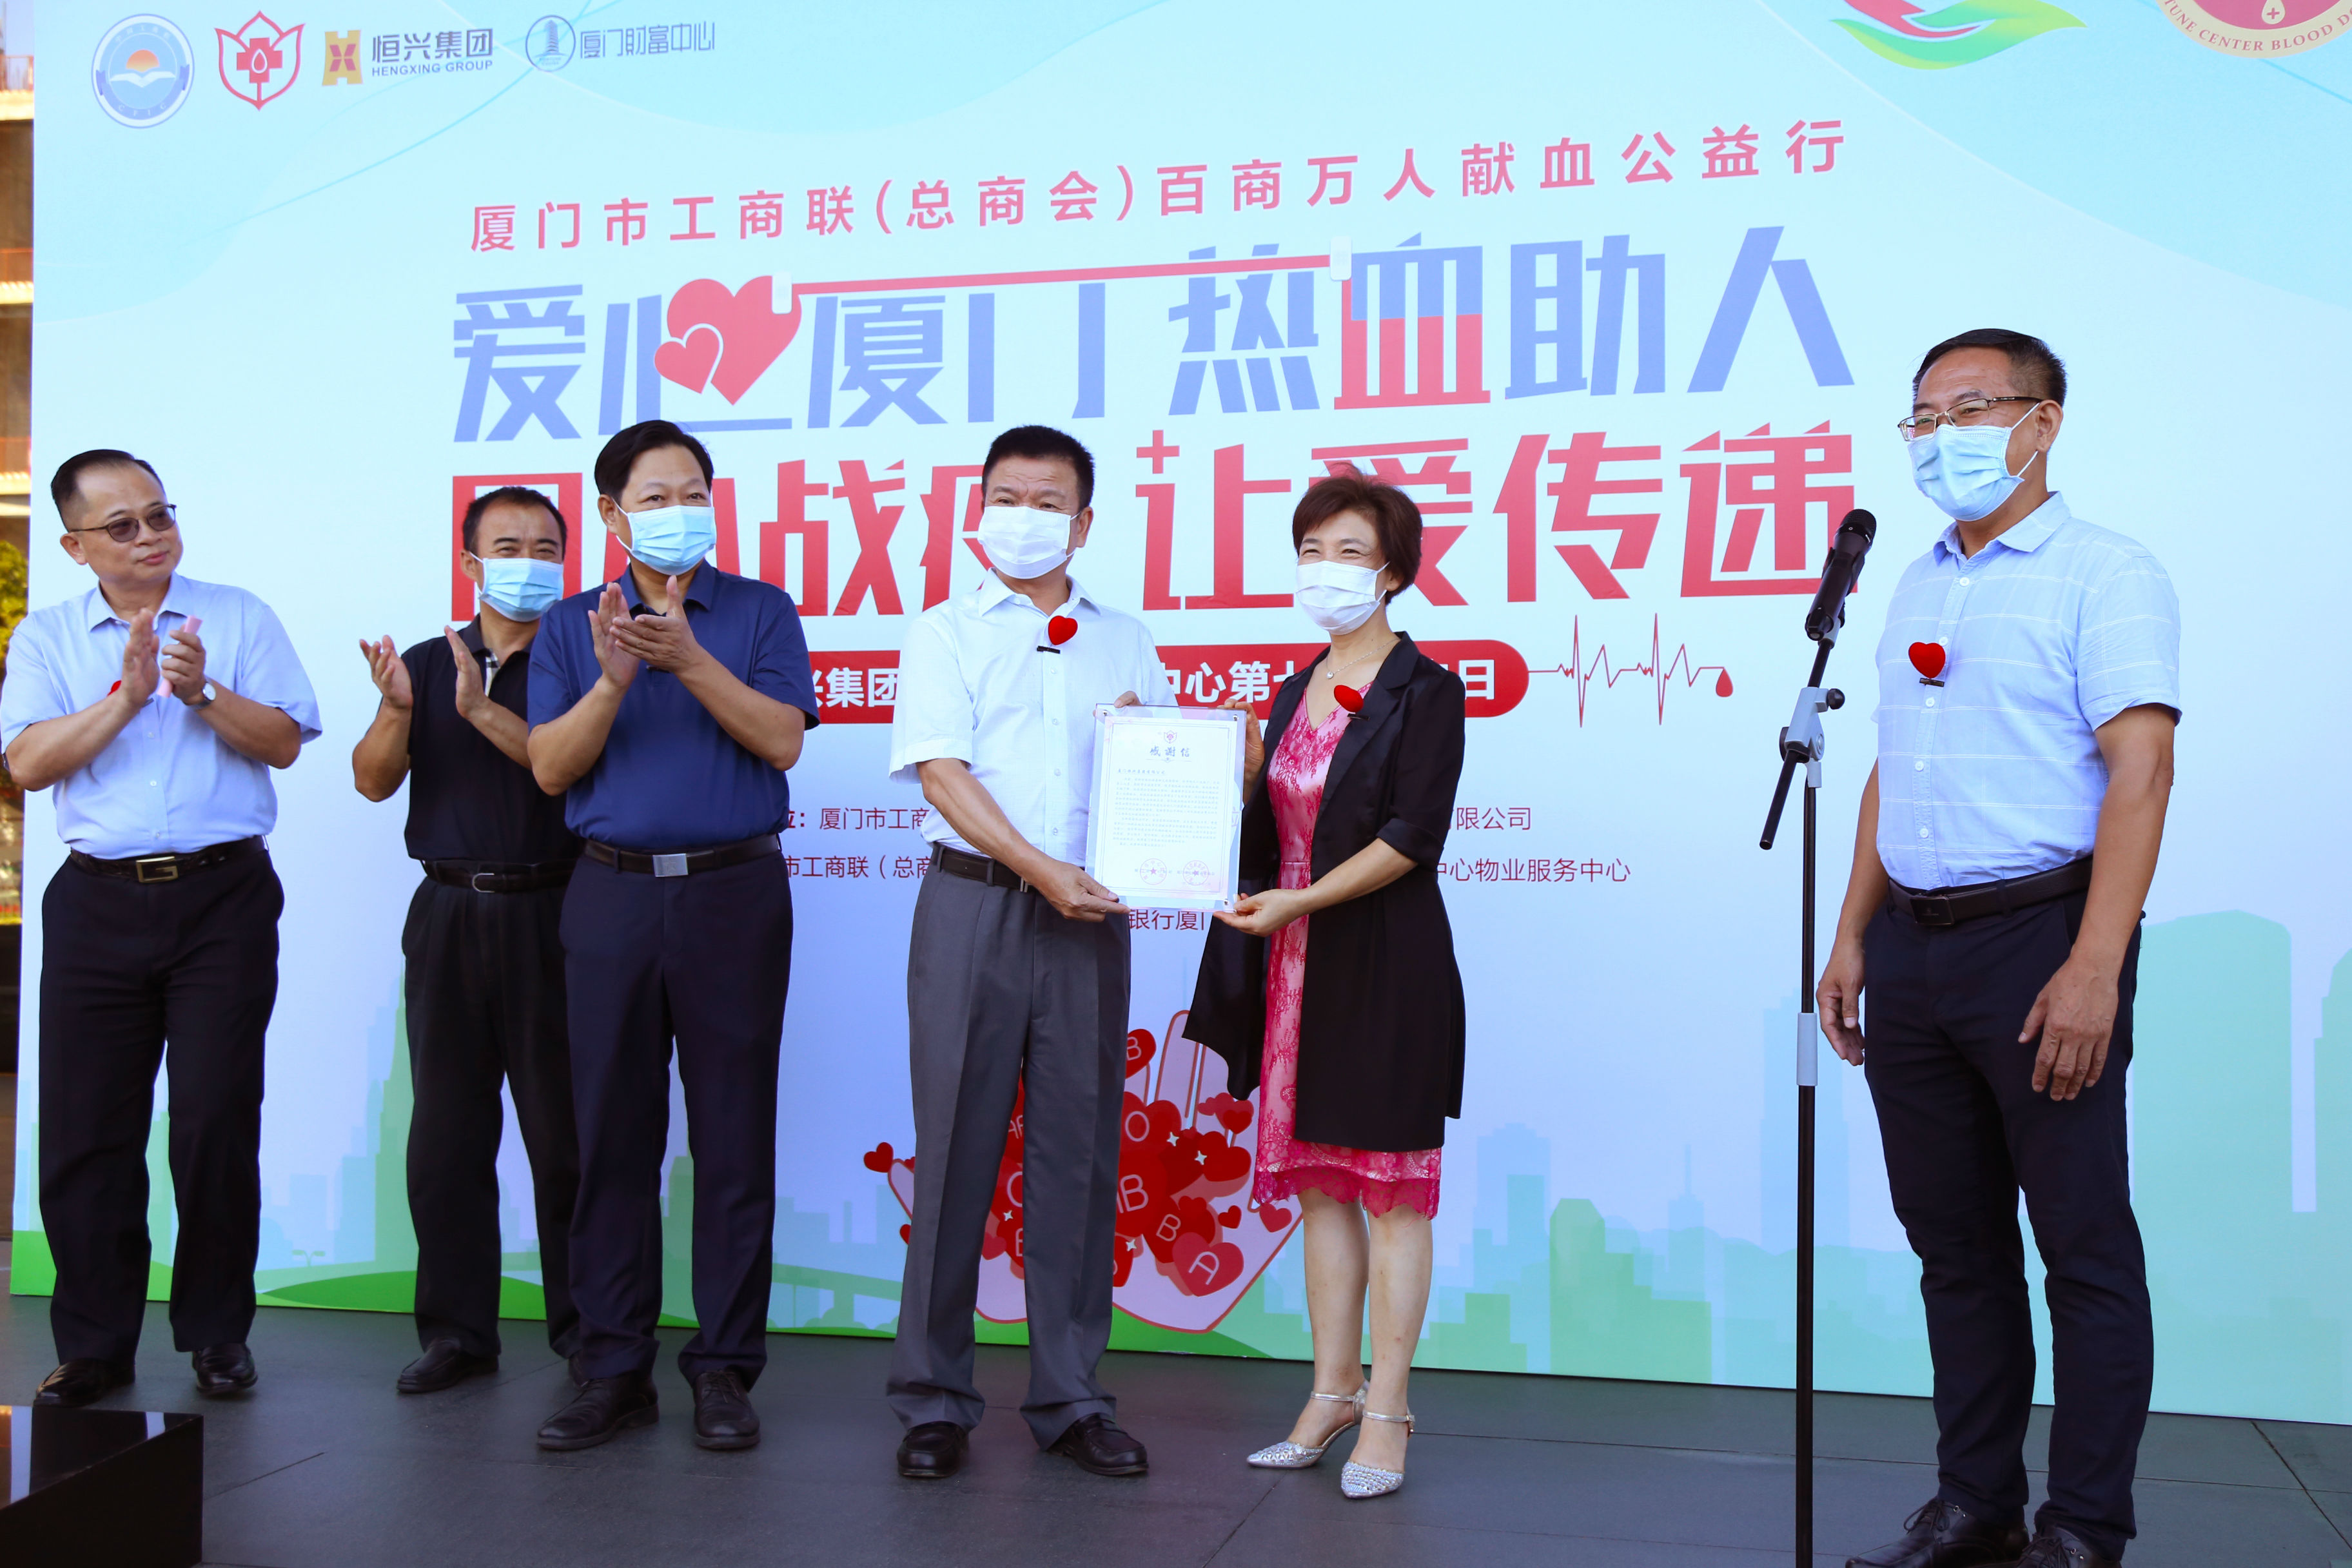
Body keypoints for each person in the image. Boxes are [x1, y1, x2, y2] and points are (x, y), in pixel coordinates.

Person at [1820, 331, 2179, 1568]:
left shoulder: (2106, 572)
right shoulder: (1914, 582)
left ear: (2044, 421)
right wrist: (1852, 933)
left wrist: (2095, 964)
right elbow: (1894, 767)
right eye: (1924, 417)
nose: (1944, 437)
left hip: (2043, 941)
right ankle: (1975, 1505)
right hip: (1913, 950)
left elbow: (2142, 771)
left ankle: (2084, 1526)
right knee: (1955, 1250)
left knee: (2082, 1247)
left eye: (1972, 409)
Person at [524, 421, 818, 1453]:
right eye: (655, 497)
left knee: (734, 1135)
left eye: (693, 492)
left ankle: (725, 1368)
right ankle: (612, 1368)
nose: (678, 510)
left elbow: (782, 739)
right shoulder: (570, 626)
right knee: (610, 1136)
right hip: (610, 896)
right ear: (612, 514)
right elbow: (550, 769)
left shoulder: (760, 611)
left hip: (734, 893)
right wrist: (613, 678)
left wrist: (687, 658)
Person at [883, 425, 1170, 1481]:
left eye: (1048, 503)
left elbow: (1163, 782)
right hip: (974, 906)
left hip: (1089, 918)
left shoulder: (1125, 639)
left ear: (1083, 525)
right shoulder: (944, 631)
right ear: (978, 509)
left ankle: (1072, 1397)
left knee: (1077, 1157)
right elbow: (942, 773)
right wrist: (1039, 868)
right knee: (953, 1151)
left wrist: (1200, 764)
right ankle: (933, 1398)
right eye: (1007, 497)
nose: (1025, 518)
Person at [6, 449, 320, 1406]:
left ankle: (218, 1334)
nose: (150, 536)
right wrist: (127, 695)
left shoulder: (236, 616)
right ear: (75, 546)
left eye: (159, 515)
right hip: (96, 901)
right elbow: (27, 764)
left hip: (223, 897)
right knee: (87, 1130)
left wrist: (201, 694)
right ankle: (95, 1346)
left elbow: (285, 742)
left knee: (216, 1119)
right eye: (122, 526)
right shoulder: (48, 638)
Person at [1185, 473, 1467, 1502]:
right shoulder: (1291, 686)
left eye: (1349, 552)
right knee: (1320, 1195)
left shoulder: (1428, 690)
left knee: (1389, 1196)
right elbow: (1275, 829)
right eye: (1311, 550)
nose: (1325, 571)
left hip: (1382, 962)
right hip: (1293, 968)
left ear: (1393, 570)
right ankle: (1330, 1393)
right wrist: (1234, 774)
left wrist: (1299, 903)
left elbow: (1411, 838)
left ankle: (1388, 1409)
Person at [351, 485, 583, 1395]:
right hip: (448, 911)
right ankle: (457, 1334)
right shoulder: (425, 661)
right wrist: (398, 711)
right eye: (508, 547)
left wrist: (484, 709)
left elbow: (574, 774)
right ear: (471, 564)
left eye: (545, 547)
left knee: (566, 1138)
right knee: (446, 1134)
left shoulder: (584, 657)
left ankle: (587, 1337)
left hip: (558, 909)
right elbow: (372, 783)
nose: (528, 563)